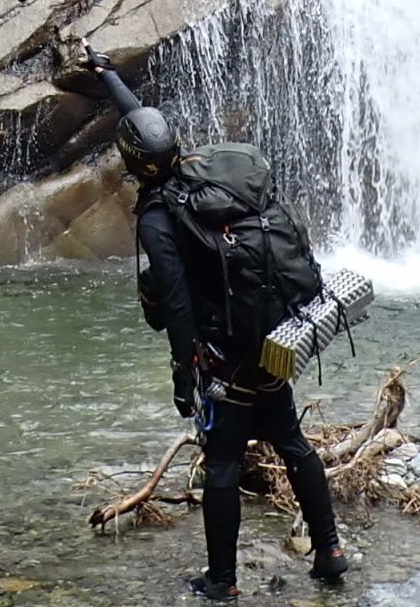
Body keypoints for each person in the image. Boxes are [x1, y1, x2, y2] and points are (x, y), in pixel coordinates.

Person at [87, 53, 348, 600]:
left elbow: (176, 303)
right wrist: (107, 75)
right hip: (275, 331)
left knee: (223, 460)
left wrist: (186, 372)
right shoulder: (204, 176)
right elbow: (146, 126)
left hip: (225, 351)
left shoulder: (160, 216)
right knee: (291, 441)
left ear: (133, 162)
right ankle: (329, 551)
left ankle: (222, 581)